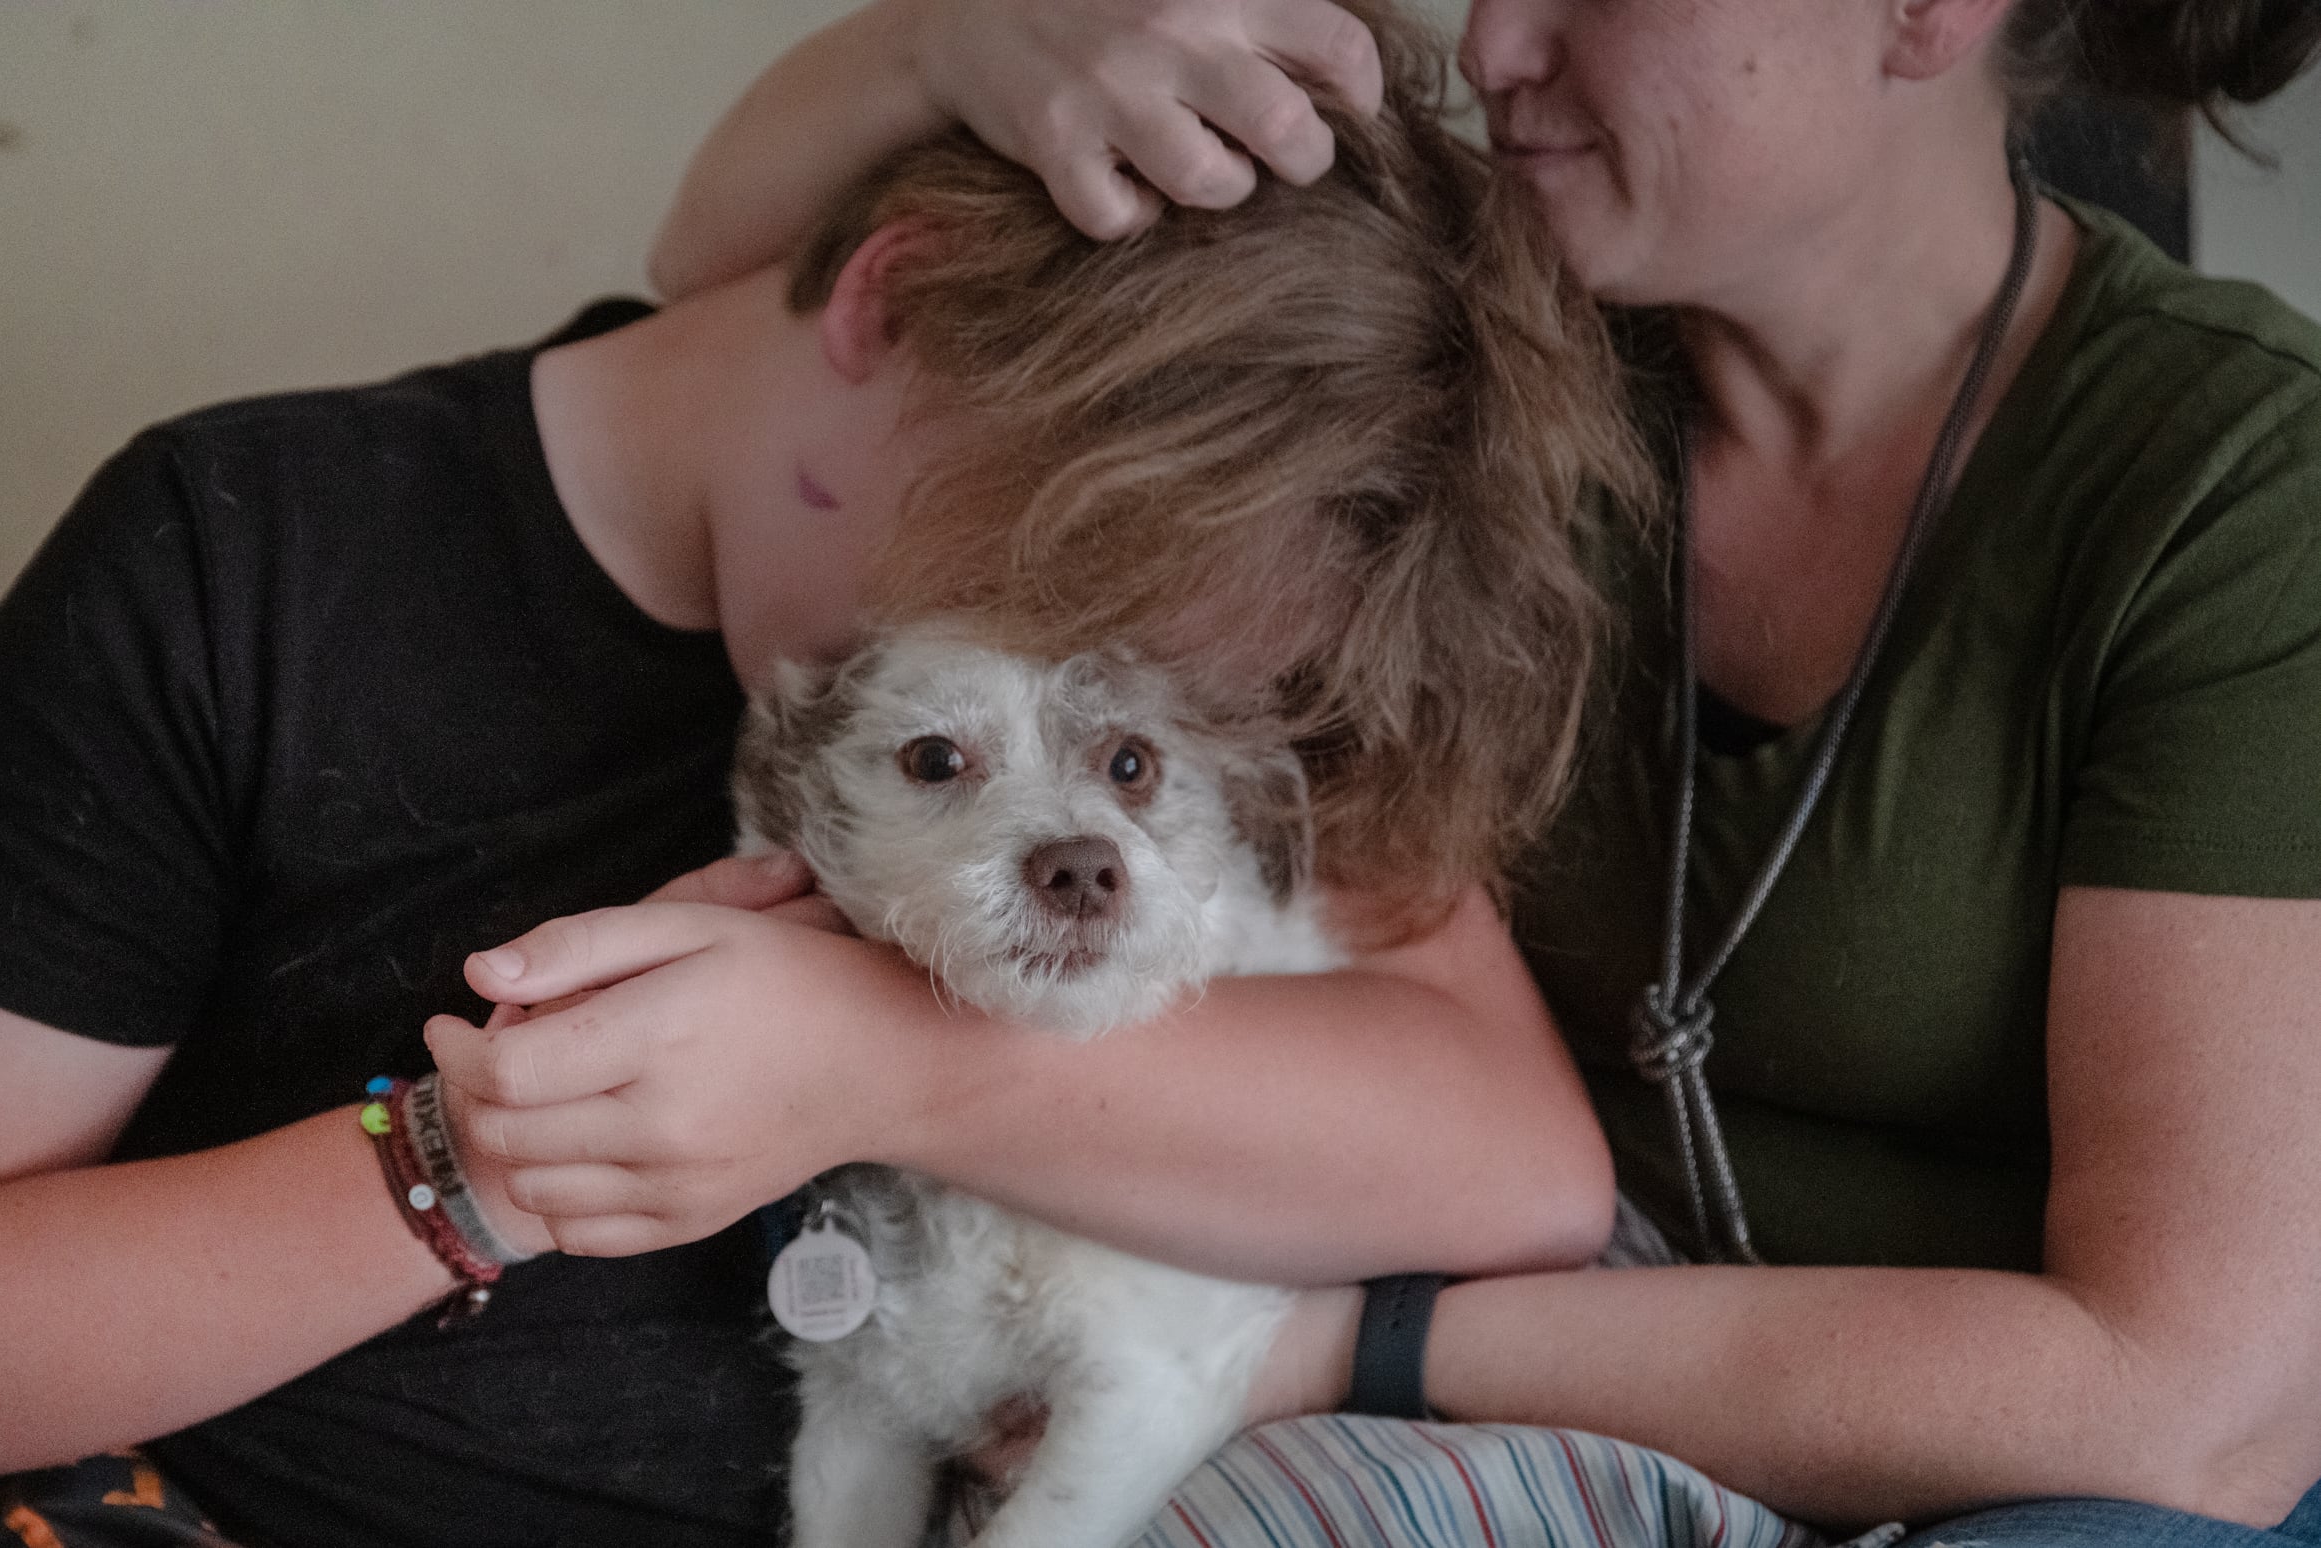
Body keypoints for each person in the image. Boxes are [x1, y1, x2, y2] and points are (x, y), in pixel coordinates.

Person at [511, 0, 2321, 1544]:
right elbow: (726, 286)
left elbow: (2196, 1417)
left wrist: (1319, 1351)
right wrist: (960, 37)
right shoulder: (1467, 374)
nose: (1498, 42)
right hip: (1502, 1382)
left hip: (2020, 1476)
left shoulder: (2235, 496)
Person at [0, 20, 1644, 1542]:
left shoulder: (1220, 606)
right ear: (894, 300)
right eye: (1060, 596)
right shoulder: (245, 560)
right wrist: (476, 1165)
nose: (1090, 734)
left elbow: (1517, 1161)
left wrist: (874, 1060)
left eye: (1143, 722)